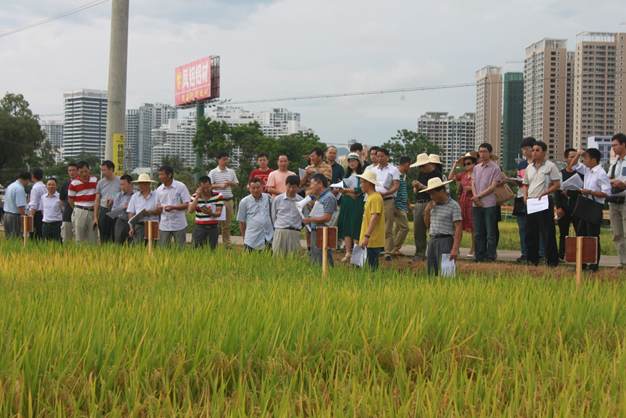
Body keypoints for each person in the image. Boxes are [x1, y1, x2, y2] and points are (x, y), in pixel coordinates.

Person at [567, 148, 611, 272]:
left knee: (593, 236)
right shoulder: (587, 169)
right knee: (581, 234)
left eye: (586, 158)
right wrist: (577, 155)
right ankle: (582, 264)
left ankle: (593, 265)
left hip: (594, 206)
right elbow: (572, 165)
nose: (584, 160)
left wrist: (589, 192)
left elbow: (607, 193)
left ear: (594, 160)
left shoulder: (600, 173)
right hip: (585, 205)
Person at [522, 141, 561, 267]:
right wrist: (525, 195)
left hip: (544, 201)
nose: (534, 152)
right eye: (533, 150)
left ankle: (552, 261)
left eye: (537, 150)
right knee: (530, 233)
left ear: (544, 152)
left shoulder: (550, 166)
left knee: (547, 232)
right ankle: (531, 260)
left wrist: (545, 193)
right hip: (531, 201)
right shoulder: (529, 167)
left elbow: (557, 184)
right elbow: (525, 184)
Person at [512, 137, 544, 263]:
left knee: (538, 227)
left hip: (536, 198)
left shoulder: (540, 164)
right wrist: (514, 181)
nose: (525, 152)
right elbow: (520, 180)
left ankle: (541, 253)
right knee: (522, 228)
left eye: (527, 149)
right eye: (523, 149)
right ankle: (525, 253)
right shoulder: (522, 164)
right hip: (522, 197)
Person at [423, 178, 462, 276]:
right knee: (431, 273)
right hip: (432, 240)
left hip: (445, 241)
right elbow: (428, 225)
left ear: (442, 191)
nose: (431, 197)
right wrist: (426, 212)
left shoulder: (453, 206)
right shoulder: (432, 205)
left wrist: (455, 248)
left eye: (433, 194)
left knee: (447, 274)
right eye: (430, 194)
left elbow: (458, 228)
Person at [410, 153, 446, 262]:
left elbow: (435, 190)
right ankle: (419, 254)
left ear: (429, 163)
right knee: (418, 230)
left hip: (431, 202)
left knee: (433, 229)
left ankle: (433, 254)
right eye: (420, 166)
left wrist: (421, 185)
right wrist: (416, 187)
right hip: (419, 203)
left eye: (423, 166)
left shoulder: (437, 175)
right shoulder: (421, 174)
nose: (422, 168)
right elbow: (417, 191)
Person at [471, 143, 501, 263]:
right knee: (478, 233)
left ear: (490, 153)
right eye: (480, 152)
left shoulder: (495, 168)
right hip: (476, 204)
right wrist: (475, 197)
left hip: (489, 204)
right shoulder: (476, 168)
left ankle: (490, 256)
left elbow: (493, 186)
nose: (482, 154)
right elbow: (473, 183)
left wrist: (478, 196)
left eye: (485, 151)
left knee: (490, 233)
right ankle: (479, 256)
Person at [300, 147, 333, 254]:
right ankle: (310, 250)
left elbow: (323, 182)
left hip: (320, 202)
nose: (311, 158)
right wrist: (306, 175)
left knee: (319, 227)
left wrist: (311, 180)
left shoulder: (327, 167)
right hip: (308, 202)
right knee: (308, 228)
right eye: (310, 156)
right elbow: (301, 184)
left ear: (320, 156)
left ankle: (320, 250)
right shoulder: (309, 168)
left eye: (313, 156)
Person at [370, 148, 400, 261]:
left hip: (387, 199)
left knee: (387, 227)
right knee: (374, 224)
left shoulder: (394, 170)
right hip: (375, 199)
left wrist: (385, 193)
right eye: (377, 156)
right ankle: (375, 249)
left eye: (382, 156)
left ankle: (388, 252)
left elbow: (396, 186)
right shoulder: (373, 170)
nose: (379, 158)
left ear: (387, 157)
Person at [302, 173, 337, 268]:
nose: (311, 187)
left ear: (320, 184)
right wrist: (310, 208)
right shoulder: (322, 197)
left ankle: (327, 275)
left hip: (323, 232)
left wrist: (310, 220)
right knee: (316, 256)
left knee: (323, 257)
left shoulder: (329, 197)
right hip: (317, 230)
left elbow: (327, 217)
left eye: (313, 184)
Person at [555, 148, 583, 261]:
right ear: (565, 159)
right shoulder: (561, 174)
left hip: (577, 207)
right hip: (564, 208)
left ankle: (579, 256)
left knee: (579, 233)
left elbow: (583, 190)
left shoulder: (580, 174)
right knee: (563, 233)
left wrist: (571, 192)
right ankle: (561, 255)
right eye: (572, 157)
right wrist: (559, 207)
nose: (574, 159)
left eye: (576, 157)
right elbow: (557, 192)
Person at [449, 152, 478, 258]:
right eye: (465, 164)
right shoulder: (463, 175)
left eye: (469, 163)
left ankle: (473, 248)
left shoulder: (478, 174)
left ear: (474, 164)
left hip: (472, 202)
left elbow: (482, 187)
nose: (466, 166)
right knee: (459, 225)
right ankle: (456, 247)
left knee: (474, 226)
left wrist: (471, 188)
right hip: (462, 202)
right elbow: (450, 178)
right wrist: (454, 166)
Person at [337, 153, 365, 262]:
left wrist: (347, 191)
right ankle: (348, 252)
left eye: (354, 161)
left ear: (358, 162)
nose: (351, 163)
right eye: (350, 161)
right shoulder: (346, 175)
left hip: (357, 202)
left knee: (356, 225)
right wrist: (349, 193)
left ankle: (356, 253)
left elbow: (360, 189)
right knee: (347, 225)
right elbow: (341, 189)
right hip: (347, 202)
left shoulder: (362, 175)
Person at [155, 165, 190, 249]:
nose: (160, 177)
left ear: (169, 175)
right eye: (159, 175)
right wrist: (158, 209)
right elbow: (157, 207)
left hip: (179, 224)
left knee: (180, 250)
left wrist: (173, 208)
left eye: (162, 174)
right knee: (164, 250)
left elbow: (186, 204)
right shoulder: (159, 190)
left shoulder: (180, 187)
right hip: (164, 225)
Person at [356, 170, 386, 270]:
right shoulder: (370, 197)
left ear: (368, 183)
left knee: (371, 270)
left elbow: (374, 217)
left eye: (361, 182)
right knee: (364, 269)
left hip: (372, 241)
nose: (360, 185)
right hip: (367, 240)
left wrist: (367, 236)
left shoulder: (376, 198)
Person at [209, 151, 239, 248]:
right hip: (217, 201)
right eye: (223, 159)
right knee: (215, 224)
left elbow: (236, 185)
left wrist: (230, 183)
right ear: (218, 160)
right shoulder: (213, 172)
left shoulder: (231, 172)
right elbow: (209, 186)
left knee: (226, 225)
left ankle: (227, 243)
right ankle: (214, 243)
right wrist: (220, 185)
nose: (226, 161)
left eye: (227, 159)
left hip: (228, 200)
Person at [237, 177, 274, 251]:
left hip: (268, 238)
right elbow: (241, 220)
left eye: (258, 187)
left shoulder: (268, 198)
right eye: (253, 188)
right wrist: (244, 238)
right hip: (252, 240)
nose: (256, 190)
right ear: (249, 188)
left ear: (262, 187)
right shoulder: (244, 202)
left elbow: (272, 216)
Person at [271, 175, 304, 257]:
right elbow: (273, 216)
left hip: (294, 232)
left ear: (298, 187)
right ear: (286, 185)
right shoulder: (278, 199)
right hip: (280, 232)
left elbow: (303, 217)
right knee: (278, 257)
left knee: (294, 258)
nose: (291, 189)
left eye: (294, 187)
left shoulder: (301, 201)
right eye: (289, 186)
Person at [68, 161, 99, 245]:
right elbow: (70, 200)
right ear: (78, 171)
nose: (84, 174)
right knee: (79, 237)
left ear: (89, 169)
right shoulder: (74, 183)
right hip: (80, 210)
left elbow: (98, 196)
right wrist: (77, 210)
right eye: (81, 172)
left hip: (92, 211)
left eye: (86, 171)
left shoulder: (94, 180)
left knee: (93, 237)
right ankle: (79, 253)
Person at [189, 175, 224, 249]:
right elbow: (190, 211)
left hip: (213, 228)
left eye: (207, 188)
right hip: (199, 228)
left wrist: (210, 213)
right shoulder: (194, 196)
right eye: (203, 188)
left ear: (211, 185)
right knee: (195, 250)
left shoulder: (218, 195)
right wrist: (197, 197)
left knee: (212, 251)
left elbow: (219, 213)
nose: (205, 190)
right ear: (199, 187)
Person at [608, 133, 626, 270]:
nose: (613, 148)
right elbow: (607, 179)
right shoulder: (614, 164)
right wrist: (614, 181)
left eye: (615, 145)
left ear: (623, 145)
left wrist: (622, 184)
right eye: (612, 145)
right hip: (614, 201)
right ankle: (622, 262)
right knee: (617, 233)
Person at [93, 160, 121, 244]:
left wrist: (114, 201)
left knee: (116, 236)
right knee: (104, 236)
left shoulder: (120, 181)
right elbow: (97, 200)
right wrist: (95, 216)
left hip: (117, 211)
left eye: (104, 170)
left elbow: (124, 196)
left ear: (111, 169)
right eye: (102, 170)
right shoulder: (100, 183)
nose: (103, 172)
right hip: (104, 210)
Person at [127, 174, 159, 245]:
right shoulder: (135, 197)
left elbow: (160, 211)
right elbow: (131, 213)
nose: (140, 185)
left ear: (148, 184)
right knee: (138, 246)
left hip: (153, 225)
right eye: (139, 183)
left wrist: (151, 212)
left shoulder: (156, 196)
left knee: (153, 246)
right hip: (139, 225)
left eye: (143, 183)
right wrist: (131, 227)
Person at [392, 156, 412, 256]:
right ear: (407, 164)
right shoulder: (396, 176)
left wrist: (408, 205)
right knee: (405, 227)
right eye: (410, 166)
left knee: (398, 228)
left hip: (403, 205)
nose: (410, 168)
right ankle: (395, 248)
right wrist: (394, 207)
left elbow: (404, 192)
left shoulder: (404, 176)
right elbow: (392, 193)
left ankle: (392, 247)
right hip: (398, 205)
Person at [2, 171, 31, 238]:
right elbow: (20, 206)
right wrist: (24, 217)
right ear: (27, 180)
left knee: (8, 237)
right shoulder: (19, 189)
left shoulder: (10, 186)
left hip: (6, 215)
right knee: (16, 237)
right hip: (14, 217)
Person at [110, 174, 136, 244]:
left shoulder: (137, 195)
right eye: (121, 185)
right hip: (121, 222)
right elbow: (113, 213)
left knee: (133, 244)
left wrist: (131, 207)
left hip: (133, 222)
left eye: (124, 184)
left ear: (130, 184)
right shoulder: (118, 196)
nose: (122, 187)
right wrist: (122, 208)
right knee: (118, 243)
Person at [58, 163, 78, 243]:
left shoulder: (81, 183)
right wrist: (69, 205)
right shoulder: (64, 185)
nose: (71, 172)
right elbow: (62, 201)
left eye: (74, 170)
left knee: (79, 239)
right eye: (70, 170)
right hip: (67, 214)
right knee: (66, 239)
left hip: (79, 214)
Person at [40, 177, 63, 242]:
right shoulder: (43, 198)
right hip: (46, 225)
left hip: (57, 225)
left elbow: (63, 210)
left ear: (57, 186)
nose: (51, 186)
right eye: (49, 184)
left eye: (53, 185)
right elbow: (42, 210)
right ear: (46, 186)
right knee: (45, 244)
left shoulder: (60, 197)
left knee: (57, 244)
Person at [28, 167, 46, 240]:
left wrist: (31, 217)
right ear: (42, 177)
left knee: (35, 236)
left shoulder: (35, 188)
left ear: (32, 177)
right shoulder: (45, 187)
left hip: (36, 214)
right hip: (44, 213)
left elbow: (34, 204)